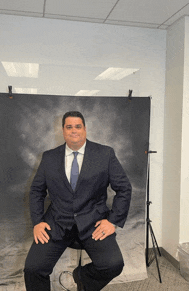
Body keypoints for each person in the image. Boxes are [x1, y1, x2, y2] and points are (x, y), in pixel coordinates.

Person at [24, 111, 132, 291]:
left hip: (93, 223)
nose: (74, 130)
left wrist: (113, 221)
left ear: (85, 129)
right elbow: (36, 191)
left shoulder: (105, 154)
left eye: (78, 126)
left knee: (113, 265)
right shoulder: (49, 157)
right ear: (63, 131)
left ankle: (82, 277)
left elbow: (124, 189)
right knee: (33, 269)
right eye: (69, 127)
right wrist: (37, 222)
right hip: (56, 223)